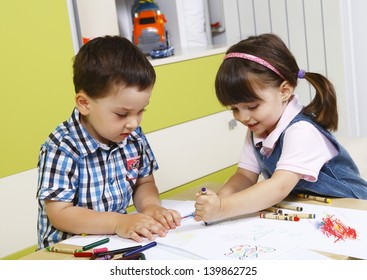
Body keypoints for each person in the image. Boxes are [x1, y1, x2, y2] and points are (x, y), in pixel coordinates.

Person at [194, 33, 367, 223]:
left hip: (353, 210)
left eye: (252, 107)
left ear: (284, 91)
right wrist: (218, 199)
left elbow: (278, 187)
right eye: (234, 108)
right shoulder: (257, 129)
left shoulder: (301, 131)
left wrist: (222, 208)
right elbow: (244, 176)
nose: (242, 117)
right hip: (312, 210)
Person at [36, 35, 181, 250]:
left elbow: (144, 183)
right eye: (122, 114)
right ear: (84, 103)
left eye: (141, 111)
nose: (133, 123)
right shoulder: (62, 147)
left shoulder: (133, 136)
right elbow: (60, 214)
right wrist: (118, 221)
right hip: (67, 254)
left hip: (114, 245)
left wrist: (150, 207)